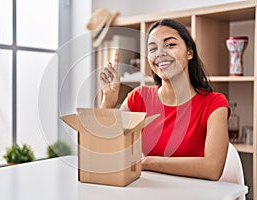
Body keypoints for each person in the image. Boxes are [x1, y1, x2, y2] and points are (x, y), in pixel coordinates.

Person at [99, 19, 230, 181]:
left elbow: (212, 168)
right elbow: (105, 151)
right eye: (153, 48)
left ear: (190, 52)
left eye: (170, 45)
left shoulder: (214, 104)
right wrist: (108, 102)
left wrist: (146, 163)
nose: (160, 53)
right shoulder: (138, 98)